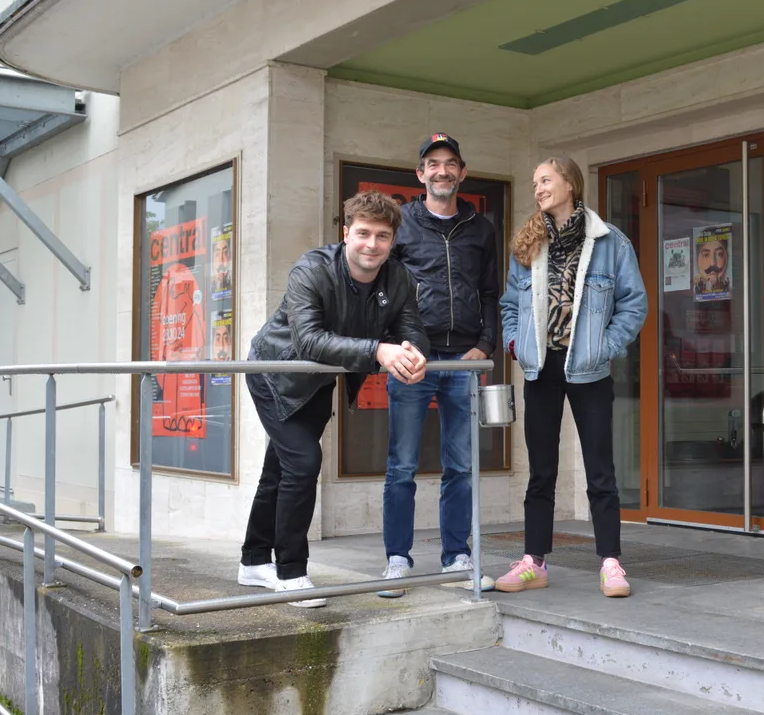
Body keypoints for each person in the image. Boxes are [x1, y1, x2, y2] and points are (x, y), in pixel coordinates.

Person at [238, 190, 429, 607]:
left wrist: (414, 354)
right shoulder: (312, 268)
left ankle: (254, 560)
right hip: (276, 373)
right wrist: (378, 351)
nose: (372, 244)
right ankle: (290, 573)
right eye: (363, 233)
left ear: (392, 240)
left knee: (282, 470)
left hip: (320, 382)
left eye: (382, 236)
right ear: (346, 233)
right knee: (304, 464)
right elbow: (307, 340)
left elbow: (410, 328)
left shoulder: (398, 278)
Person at [498, 156, 647, 599]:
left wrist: (606, 346)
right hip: (541, 370)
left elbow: (633, 305)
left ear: (570, 184)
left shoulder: (610, 242)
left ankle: (611, 563)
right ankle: (534, 562)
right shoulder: (528, 243)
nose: (538, 188)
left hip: (590, 370)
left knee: (601, 471)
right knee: (540, 473)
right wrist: (514, 345)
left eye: (546, 180)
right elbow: (509, 305)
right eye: (534, 182)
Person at [378, 132, 499, 596]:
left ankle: (456, 556)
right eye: (433, 164)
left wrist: (486, 343)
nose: (442, 171)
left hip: (463, 359)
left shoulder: (480, 227)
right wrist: (393, 343)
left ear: (462, 173)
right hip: (414, 357)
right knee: (401, 465)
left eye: (451, 164)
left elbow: (490, 292)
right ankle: (396, 560)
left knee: (462, 465)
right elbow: (382, 289)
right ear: (420, 174)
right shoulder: (402, 223)